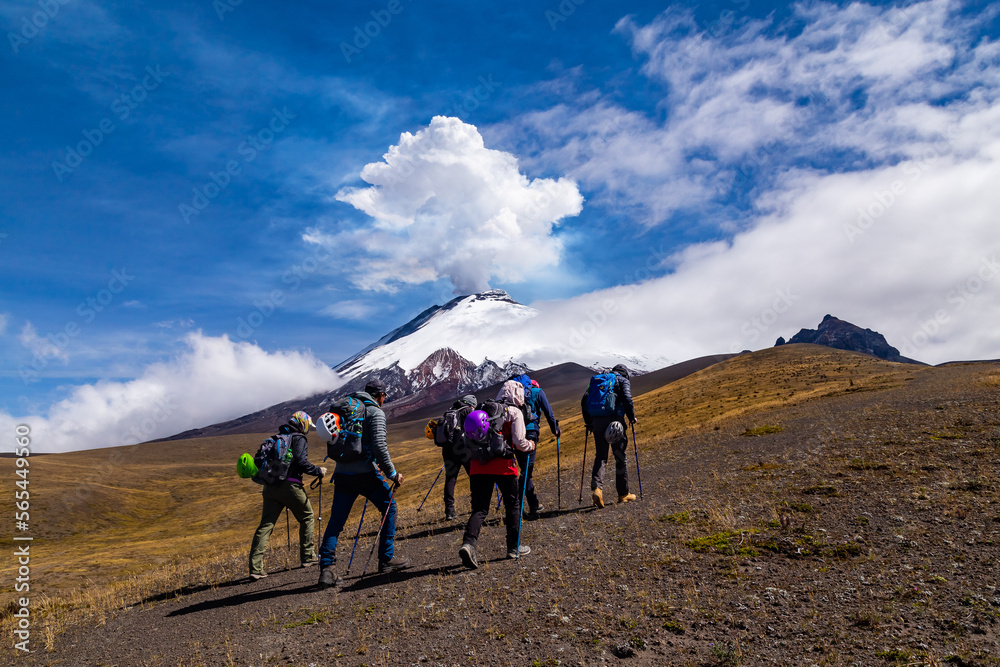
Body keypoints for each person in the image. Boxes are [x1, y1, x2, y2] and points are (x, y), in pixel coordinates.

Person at [317, 379, 410, 589]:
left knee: (336, 523)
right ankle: (386, 560)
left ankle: (326, 570)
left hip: (342, 474)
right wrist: (392, 474)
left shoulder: (346, 408)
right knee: (389, 508)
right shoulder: (375, 412)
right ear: (380, 396)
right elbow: (379, 446)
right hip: (367, 474)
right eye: (384, 396)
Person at [458, 379, 535, 569]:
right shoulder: (514, 412)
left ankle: (469, 544)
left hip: (478, 465)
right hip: (503, 466)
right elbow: (518, 442)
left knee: (480, 509)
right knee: (513, 505)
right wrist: (530, 445)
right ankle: (513, 547)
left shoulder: (484, 408)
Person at [248, 411, 327, 580]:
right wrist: (318, 471)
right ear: (302, 423)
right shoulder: (299, 438)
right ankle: (308, 556)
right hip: (290, 485)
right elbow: (301, 462)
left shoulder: (278, 438)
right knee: (307, 516)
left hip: (269, 488)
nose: (307, 429)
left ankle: (255, 568)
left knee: (266, 525)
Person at [581, 364, 637, 508]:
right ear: (625, 373)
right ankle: (623, 494)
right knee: (620, 456)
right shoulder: (622, 380)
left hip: (597, 421)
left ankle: (597, 490)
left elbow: (584, 401)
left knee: (601, 456)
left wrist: (589, 422)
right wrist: (631, 417)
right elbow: (627, 398)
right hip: (615, 422)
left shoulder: (598, 380)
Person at [519, 378, 560, 520]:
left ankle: (533, 504)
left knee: (525, 469)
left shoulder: (517, 393)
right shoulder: (537, 392)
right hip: (531, 432)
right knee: (526, 471)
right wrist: (555, 429)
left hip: (516, 435)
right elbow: (549, 412)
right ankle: (517, 507)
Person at [441, 394, 478, 520]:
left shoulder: (450, 411)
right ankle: (476, 505)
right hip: (463, 449)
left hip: (448, 450)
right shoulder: (467, 410)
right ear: (471, 404)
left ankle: (449, 510)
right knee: (473, 476)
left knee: (451, 479)